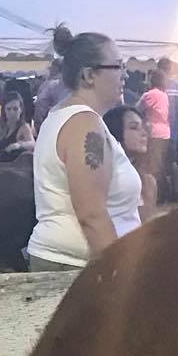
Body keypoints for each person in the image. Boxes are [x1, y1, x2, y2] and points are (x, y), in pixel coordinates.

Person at [26, 26, 140, 271]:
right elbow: (92, 216)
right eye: (118, 66)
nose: (125, 75)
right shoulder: (84, 124)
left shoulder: (67, 117)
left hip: (69, 263)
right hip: (75, 267)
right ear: (89, 75)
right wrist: (121, 275)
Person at [104, 103, 159, 215]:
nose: (143, 133)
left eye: (143, 128)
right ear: (116, 131)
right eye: (134, 127)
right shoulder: (102, 178)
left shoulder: (148, 183)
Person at [138, 57, 173, 198]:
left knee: (151, 167)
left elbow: (136, 109)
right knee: (162, 167)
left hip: (153, 133)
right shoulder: (164, 95)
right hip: (166, 133)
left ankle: (154, 196)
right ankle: (165, 195)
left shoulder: (149, 95)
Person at [0, 89, 36, 163]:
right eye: (8, 109)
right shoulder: (3, 127)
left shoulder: (24, 127)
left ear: (21, 110)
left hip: (16, 170)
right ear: (4, 111)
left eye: (15, 109)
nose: (12, 112)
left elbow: (33, 144)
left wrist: (19, 145)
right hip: (2, 167)